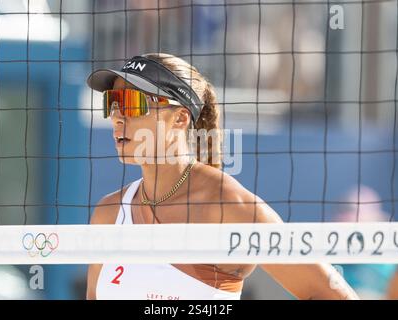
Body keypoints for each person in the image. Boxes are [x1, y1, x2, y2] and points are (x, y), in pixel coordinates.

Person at [85, 53, 358, 300]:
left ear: (180, 118)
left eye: (132, 103)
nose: (117, 117)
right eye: (113, 103)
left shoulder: (227, 206)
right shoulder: (108, 213)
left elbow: (334, 295)